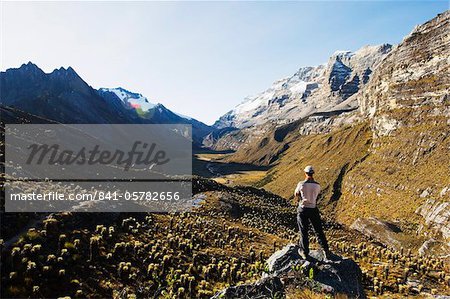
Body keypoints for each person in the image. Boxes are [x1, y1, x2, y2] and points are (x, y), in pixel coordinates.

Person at [294, 165, 331, 260]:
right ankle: (326, 250)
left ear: (305, 173)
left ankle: (305, 252)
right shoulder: (317, 185)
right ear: (313, 173)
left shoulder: (301, 184)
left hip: (303, 209)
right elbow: (316, 195)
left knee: (303, 231)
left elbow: (296, 194)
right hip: (313, 208)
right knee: (318, 230)